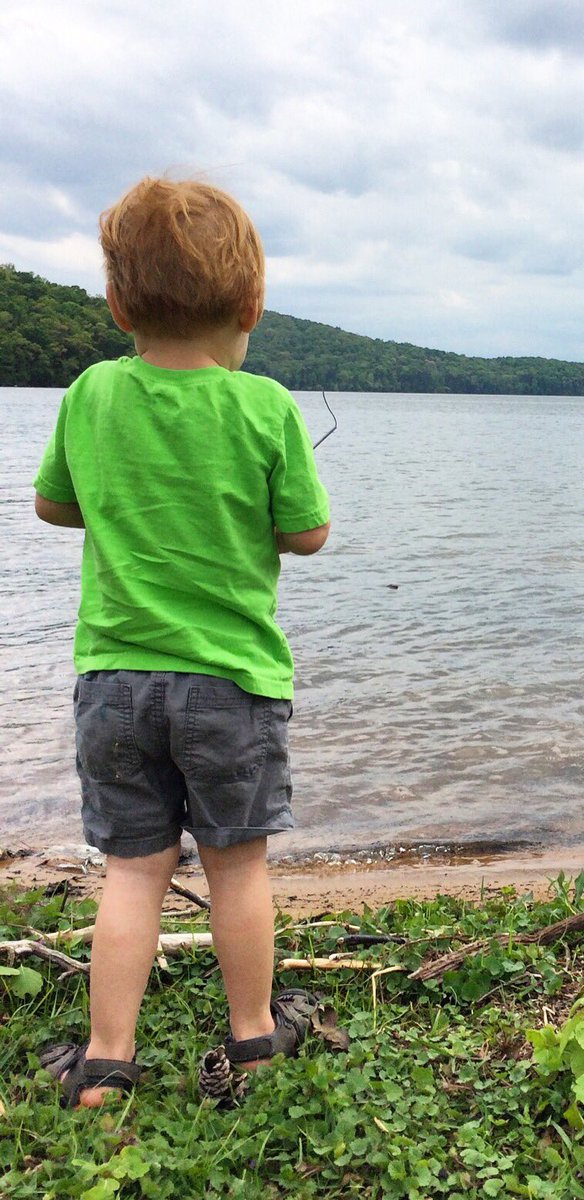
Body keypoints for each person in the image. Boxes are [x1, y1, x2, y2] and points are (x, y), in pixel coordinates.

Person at [32, 176, 331, 1108]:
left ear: (118, 303)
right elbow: (308, 532)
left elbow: (53, 505)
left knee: (132, 872)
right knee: (237, 867)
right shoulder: (267, 406)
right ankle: (252, 1044)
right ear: (252, 305)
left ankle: (106, 1062)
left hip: (113, 682)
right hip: (231, 684)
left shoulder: (89, 393)